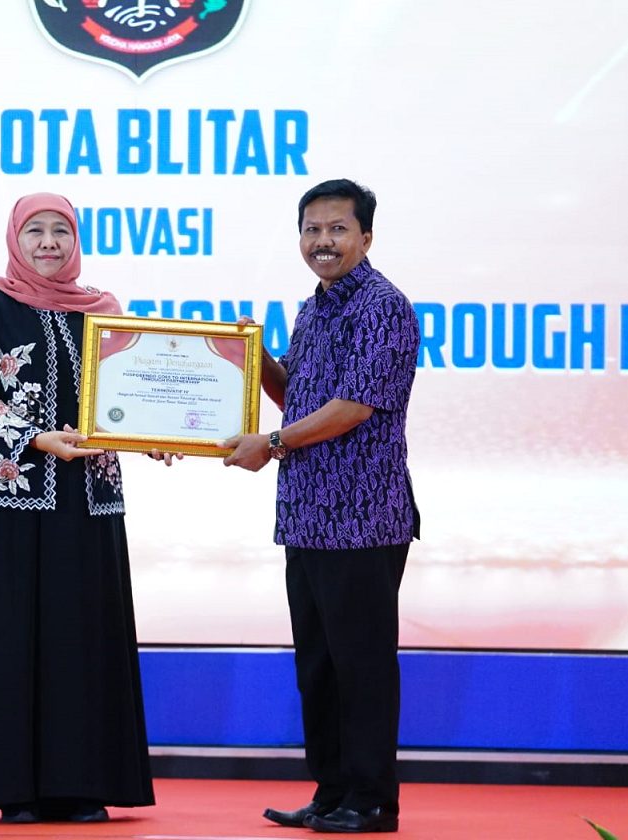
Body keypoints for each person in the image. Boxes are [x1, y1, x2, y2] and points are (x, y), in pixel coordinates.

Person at [0, 193, 155, 824]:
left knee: (83, 635)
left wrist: (157, 434)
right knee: (13, 635)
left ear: (76, 239)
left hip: (88, 497)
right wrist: (36, 438)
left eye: (60, 230)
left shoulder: (104, 311)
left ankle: (82, 784)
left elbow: (129, 395)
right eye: (34, 230)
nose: (47, 242)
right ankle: (16, 788)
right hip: (13, 493)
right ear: (15, 237)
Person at [222, 179, 420, 834]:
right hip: (307, 516)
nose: (323, 241)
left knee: (361, 667)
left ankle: (371, 800)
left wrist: (272, 443)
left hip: (362, 518)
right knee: (319, 668)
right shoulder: (313, 310)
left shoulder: (382, 307)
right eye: (312, 229)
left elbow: (352, 407)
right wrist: (252, 358)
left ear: (366, 236)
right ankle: (332, 792)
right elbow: (298, 398)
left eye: (337, 229)